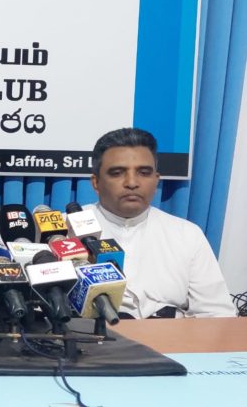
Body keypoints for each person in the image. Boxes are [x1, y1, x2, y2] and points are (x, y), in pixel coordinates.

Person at [88, 127, 236, 318]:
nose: (132, 183)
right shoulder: (63, 231)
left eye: (144, 172)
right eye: (117, 173)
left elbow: (217, 314)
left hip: (170, 336)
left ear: (156, 180)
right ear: (96, 182)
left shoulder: (186, 234)